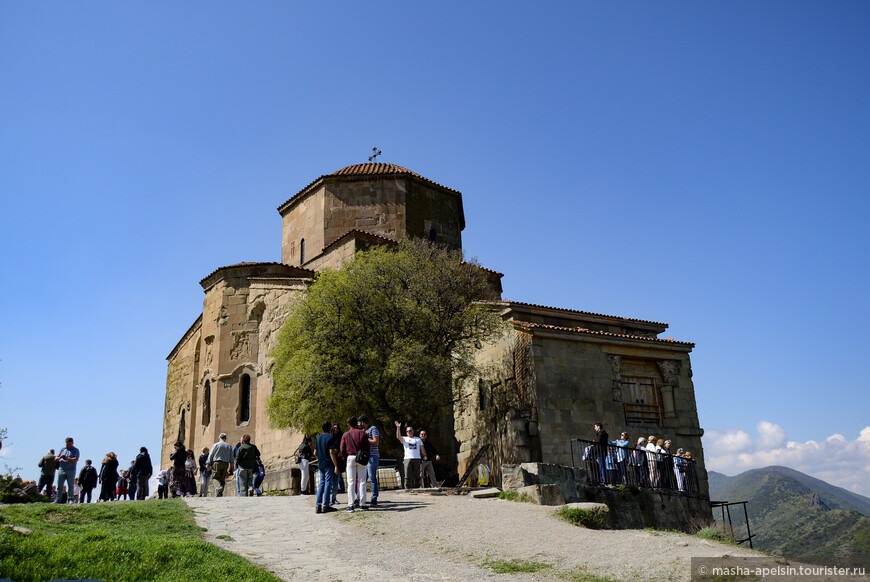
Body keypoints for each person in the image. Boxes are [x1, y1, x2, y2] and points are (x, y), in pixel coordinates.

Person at [340, 417, 370, 512]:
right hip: (361, 457)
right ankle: (363, 504)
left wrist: (345, 458)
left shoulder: (345, 434)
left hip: (351, 457)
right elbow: (367, 447)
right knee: (362, 481)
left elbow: (342, 449)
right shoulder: (362, 433)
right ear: (357, 423)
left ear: (349, 425)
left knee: (351, 482)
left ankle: (351, 505)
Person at [314, 420, 340, 513]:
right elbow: (331, 452)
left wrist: (319, 458)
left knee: (321, 483)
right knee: (328, 483)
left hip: (321, 464)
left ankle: (318, 505)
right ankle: (326, 505)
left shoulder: (318, 438)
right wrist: (336, 465)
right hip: (329, 463)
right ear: (330, 428)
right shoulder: (330, 438)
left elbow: (315, 452)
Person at [357, 415, 381, 506]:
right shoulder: (362, 431)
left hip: (372, 456)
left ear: (363, 422)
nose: (358, 425)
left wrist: (365, 440)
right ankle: (359, 497)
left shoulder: (373, 429)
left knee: (372, 477)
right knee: (362, 479)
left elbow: (376, 441)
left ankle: (374, 497)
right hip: (364, 456)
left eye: (359, 423)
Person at [395, 421, 423, 490]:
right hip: (407, 458)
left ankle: (417, 487)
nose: (409, 432)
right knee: (407, 474)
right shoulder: (405, 439)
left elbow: (422, 447)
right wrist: (398, 428)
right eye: (408, 431)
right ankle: (407, 488)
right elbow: (398, 437)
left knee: (417, 474)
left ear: (413, 431)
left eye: (410, 430)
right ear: (406, 432)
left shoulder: (418, 439)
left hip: (417, 458)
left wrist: (424, 455)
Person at [206, 433, 234, 497]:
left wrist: (208, 463)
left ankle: (219, 488)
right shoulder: (229, 446)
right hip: (225, 463)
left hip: (217, 462)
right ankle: (220, 493)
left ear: (219, 438)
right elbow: (232, 457)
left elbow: (211, 454)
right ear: (225, 438)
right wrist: (231, 466)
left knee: (215, 477)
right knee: (222, 478)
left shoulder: (216, 445)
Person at [54, 437, 80, 504]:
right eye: (67, 444)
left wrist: (67, 459)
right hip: (61, 469)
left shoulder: (76, 450)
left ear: (72, 443)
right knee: (59, 486)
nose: (68, 445)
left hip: (71, 470)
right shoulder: (63, 449)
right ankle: (58, 500)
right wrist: (60, 457)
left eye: (70, 444)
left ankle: (70, 499)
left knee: (70, 486)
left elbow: (76, 459)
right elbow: (56, 458)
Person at [330, 424, 345, 506]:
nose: (336, 429)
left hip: (338, 461)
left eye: (337, 428)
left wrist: (340, 453)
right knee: (329, 481)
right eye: (334, 428)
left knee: (336, 480)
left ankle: (334, 498)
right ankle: (328, 499)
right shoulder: (330, 437)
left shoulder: (341, 438)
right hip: (330, 461)